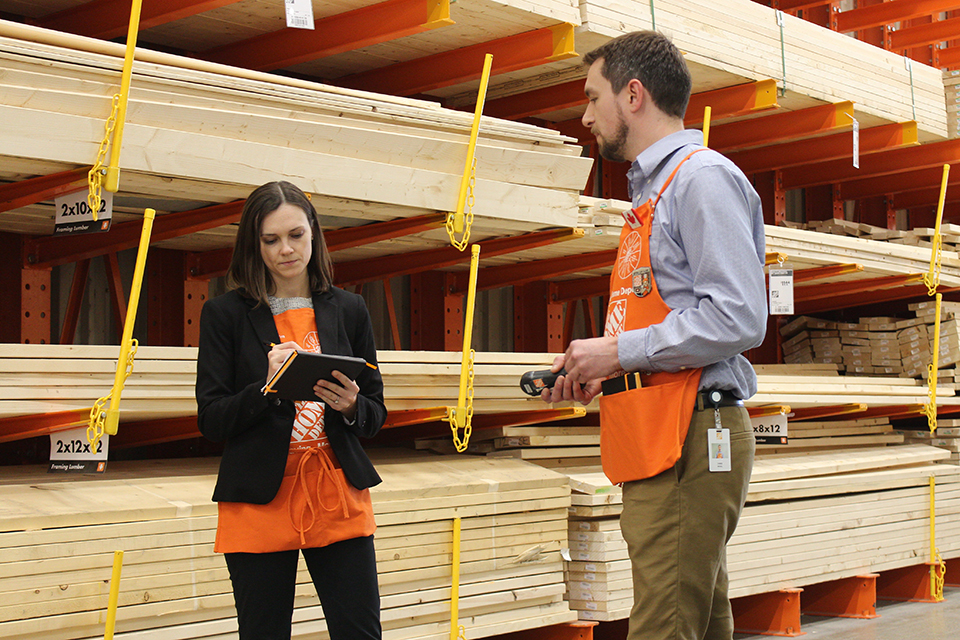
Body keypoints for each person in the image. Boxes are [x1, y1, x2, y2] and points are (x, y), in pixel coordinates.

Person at [541, 32, 767, 640]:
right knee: (697, 621)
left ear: (633, 95)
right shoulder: (655, 193)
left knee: (664, 627)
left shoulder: (700, 181)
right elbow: (667, 319)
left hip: (689, 436)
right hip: (667, 429)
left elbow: (739, 316)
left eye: (594, 97)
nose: (586, 116)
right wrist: (611, 372)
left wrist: (618, 352)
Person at [196, 180, 386, 640]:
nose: (286, 249)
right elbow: (212, 419)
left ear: (314, 233)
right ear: (254, 245)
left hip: (337, 493)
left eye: (296, 235)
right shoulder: (224, 314)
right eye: (271, 240)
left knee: (360, 633)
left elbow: (376, 412)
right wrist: (266, 388)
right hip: (259, 499)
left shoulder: (350, 309)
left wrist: (351, 406)